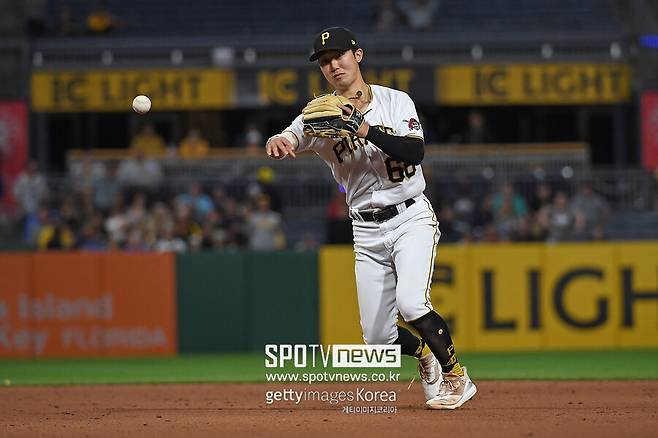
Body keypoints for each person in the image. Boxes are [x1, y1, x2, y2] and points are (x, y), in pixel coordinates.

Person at [265, 26, 476, 410]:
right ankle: (425, 356)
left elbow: (414, 153)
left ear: (357, 56)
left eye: (339, 56)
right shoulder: (319, 114)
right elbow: (291, 135)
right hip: (364, 228)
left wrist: (363, 127)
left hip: (410, 217)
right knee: (377, 340)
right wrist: (278, 140)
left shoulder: (396, 102)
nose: (333, 65)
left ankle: (457, 377)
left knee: (413, 305)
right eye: (325, 61)